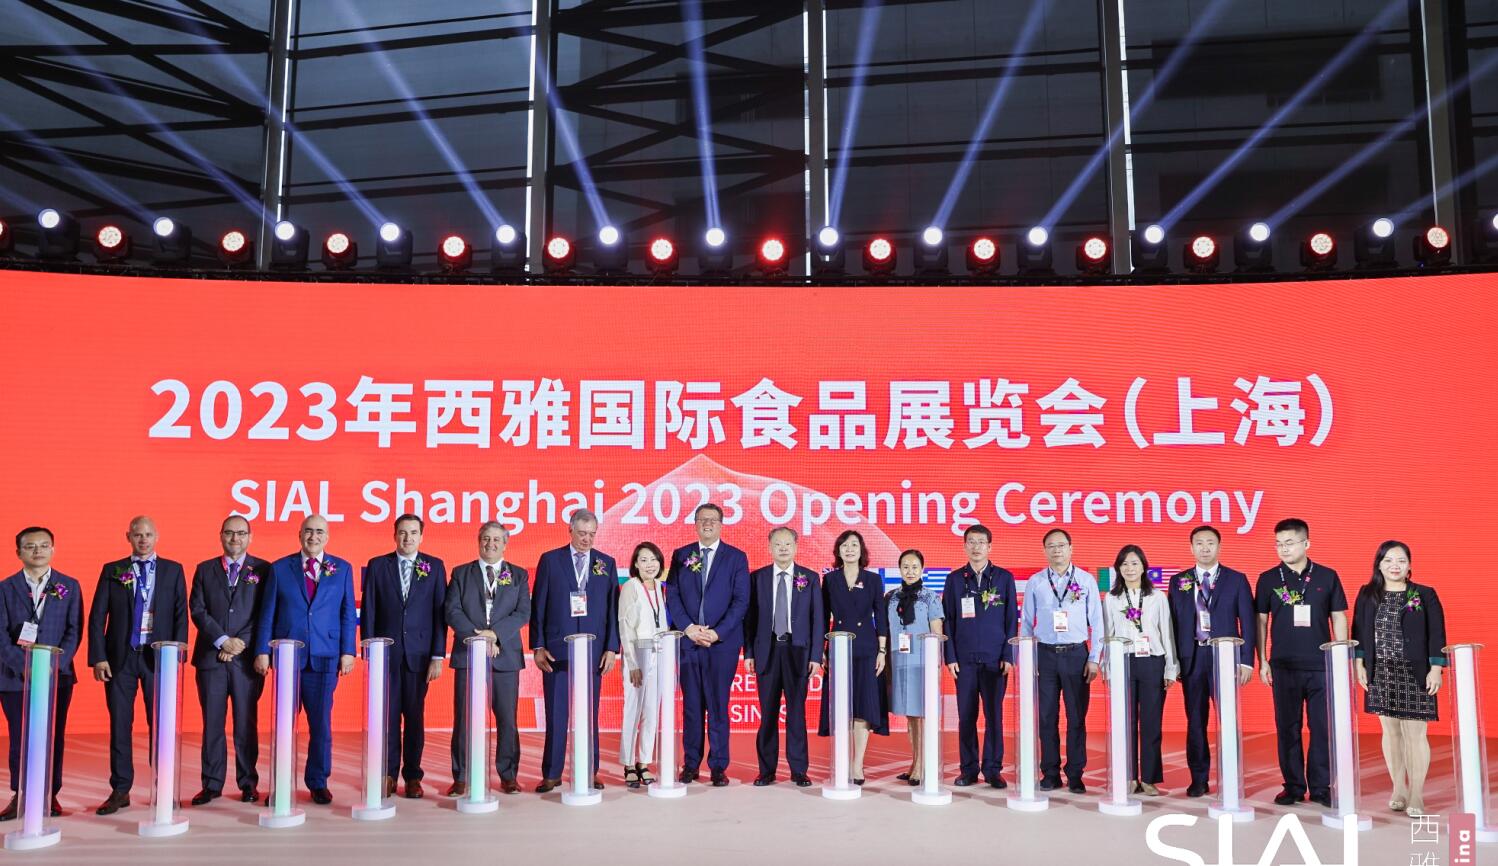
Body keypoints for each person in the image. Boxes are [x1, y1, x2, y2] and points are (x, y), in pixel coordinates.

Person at [253, 515, 357, 805]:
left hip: (325, 656)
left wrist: (348, 651)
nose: (313, 536)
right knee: (284, 726)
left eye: (319, 531)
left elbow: (348, 614)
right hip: (287, 657)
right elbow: (267, 613)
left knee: (321, 725)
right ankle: (280, 784)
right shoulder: (279, 568)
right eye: (308, 531)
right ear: (299, 534)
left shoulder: (342, 569)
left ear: (327, 536)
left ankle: (318, 782)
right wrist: (262, 650)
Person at [88, 515, 188, 815]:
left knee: (161, 725)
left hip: (159, 658)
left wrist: (176, 655)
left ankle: (163, 787)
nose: (143, 540)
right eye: (137, 535)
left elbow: (181, 614)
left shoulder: (173, 569)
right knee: (120, 724)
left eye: (148, 534)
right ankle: (120, 789)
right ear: (128, 537)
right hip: (121, 659)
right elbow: (97, 616)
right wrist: (98, 657)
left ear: (157, 536)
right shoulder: (113, 569)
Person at [1255, 517, 1348, 808]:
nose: (1284, 549)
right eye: (1278, 544)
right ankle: (1293, 786)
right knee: (1287, 728)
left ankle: (1321, 787)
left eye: (1290, 542)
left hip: (1321, 665)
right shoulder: (1268, 578)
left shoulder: (1327, 576)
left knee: (1322, 728)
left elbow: (1338, 617)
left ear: (1306, 543)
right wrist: (1263, 660)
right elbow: (1261, 621)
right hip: (1283, 665)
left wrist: (1340, 657)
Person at [1352, 540, 1446, 816]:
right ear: (1379, 565)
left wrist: (1436, 668)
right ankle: (1398, 788)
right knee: (1391, 732)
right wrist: (1359, 663)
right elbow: (1360, 630)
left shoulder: (1424, 594)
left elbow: (1437, 632)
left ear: (1409, 565)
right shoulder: (1367, 594)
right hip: (1381, 671)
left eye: (1401, 560)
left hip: (1415, 672)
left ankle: (1416, 793)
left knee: (1415, 734)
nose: (1395, 566)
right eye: (1389, 560)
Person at [530, 510, 619, 793]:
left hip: (593, 651)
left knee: (589, 714)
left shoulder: (606, 563)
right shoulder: (550, 560)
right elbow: (538, 605)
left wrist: (611, 648)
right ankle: (552, 773)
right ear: (570, 530)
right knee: (556, 714)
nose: (587, 539)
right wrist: (538, 645)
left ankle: (589, 770)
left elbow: (612, 610)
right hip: (557, 651)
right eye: (582, 533)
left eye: (592, 534)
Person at [361, 514, 447, 799]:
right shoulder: (378, 565)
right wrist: (369, 650)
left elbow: (439, 615)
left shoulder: (435, 566)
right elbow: (370, 609)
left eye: (413, 533)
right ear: (394, 535)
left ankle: (412, 777)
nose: (407, 538)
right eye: (402, 532)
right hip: (385, 656)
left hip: (419, 657)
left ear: (421, 536)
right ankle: (387, 775)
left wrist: (437, 655)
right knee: (386, 718)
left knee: (414, 717)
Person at [1168, 524, 1256, 798]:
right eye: (1199, 543)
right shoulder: (1179, 581)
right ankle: (1199, 778)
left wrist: (1246, 661)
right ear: (1191, 547)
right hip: (1192, 658)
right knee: (1195, 720)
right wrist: (1174, 662)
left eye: (1210, 543)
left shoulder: (1236, 579)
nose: (1205, 548)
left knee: (1228, 720)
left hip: (1226, 658)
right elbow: (1172, 624)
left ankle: (1231, 777)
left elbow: (1248, 622)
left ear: (1219, 546)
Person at [0, 527, 81, 820]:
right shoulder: (5, 588)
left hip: (56, 675)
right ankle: (20, 794)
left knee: (53, 736)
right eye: (30, 546)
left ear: (53, 549)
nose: (38, 551)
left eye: (44, 545)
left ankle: (49, 794)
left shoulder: (69, 585)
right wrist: (26, 666)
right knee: (20, 737)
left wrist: (53, 664)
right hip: (14, 678)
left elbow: (74, 630)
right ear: (18, 552)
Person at [665, 503, 749, 787]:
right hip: (689, 643)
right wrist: (688, 628)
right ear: (695, 524)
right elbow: (673, 595)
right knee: (691, 706)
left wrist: (717, 632)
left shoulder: (736, 557)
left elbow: (741, 601)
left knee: (718, 705)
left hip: (721, 645)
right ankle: (691, 764)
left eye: (713, 520)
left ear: (721, 524)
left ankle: (718, 766)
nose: (708, 524)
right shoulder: (681, 555)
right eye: (702, 519)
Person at [187, 515, 269, 805]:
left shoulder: (263, 569)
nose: (235, 538)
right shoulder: (204, 569)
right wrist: (222, 640)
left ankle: (248, 783)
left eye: (241, 533)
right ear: (221, 535)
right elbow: (197, 610)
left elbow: (264, 612)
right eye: (230, 533)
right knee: (212, 723)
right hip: (211, 659)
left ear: (250, 537)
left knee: (246, 723)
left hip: (246, 662)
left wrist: (238, 644)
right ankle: (211, 784)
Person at [446, 521, 530, 797]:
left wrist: (495, 635)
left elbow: (522, 613)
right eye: (486, 538)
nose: (490, 544)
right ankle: (461, 776)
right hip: (468, 655)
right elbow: (452, 611)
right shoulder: (461, 573)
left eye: (496, 539)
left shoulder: (518, 575)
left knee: (507, 718)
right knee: (464, 719)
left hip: (505, 656)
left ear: (505, 544)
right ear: (478, 541)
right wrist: (479, 639)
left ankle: (508, 775)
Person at [1019, 528, 1103, 794]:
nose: (1057, 550)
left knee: (1076, 717)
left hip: (1077, 654)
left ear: (1071, 548)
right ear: (1045, 550)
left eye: (1061, 545)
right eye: (1051, 546)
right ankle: (1050, 773)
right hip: (1045, 655)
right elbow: (1026, 623)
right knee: (1046, 717)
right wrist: (1027, 658)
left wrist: (1094, 658)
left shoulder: (1086, 580)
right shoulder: (1036, 582)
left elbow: (1097, 622)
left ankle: (1076, 774)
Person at [744, 527, 823, 787]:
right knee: (768, 713)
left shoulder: (809, 578)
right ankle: (766, 770)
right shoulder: (757, 578)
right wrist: (749, 653)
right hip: (766, 651)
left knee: (796, 713)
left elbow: (818, 619)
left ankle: (799, 770)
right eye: (778, 544)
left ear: (796, 547)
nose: (783, 548)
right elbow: (750, 620)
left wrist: (816, 655)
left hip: (797, 651)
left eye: (788, 544)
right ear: (769, 548)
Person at [942, 525, 1017, 789]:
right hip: (963, 661)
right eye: (971, 542)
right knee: (966, 717)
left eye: (981, 542)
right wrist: (950, 656)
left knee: (994, 717)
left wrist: (1009, 654)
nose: (976, 547)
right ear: (965, 546)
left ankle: (993, 770)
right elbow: (948, 620)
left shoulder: (1003, 578)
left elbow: (1011, 619)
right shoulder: (954, 579)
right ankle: (969, 769)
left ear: (989, 546)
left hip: (995, 660)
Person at [1101, 545, 1177, 795]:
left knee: (1151, 722)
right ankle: (1129, 777)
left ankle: (1149, 778)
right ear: (1118, 569)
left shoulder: (1157, 596)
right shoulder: (1111, 598)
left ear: (1144, 566)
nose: (1129, 568)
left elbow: (1166, 632)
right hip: (1123, 661)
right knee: (1126, 722)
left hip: (1152, 661)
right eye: (1124, 564)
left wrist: (1170, 668)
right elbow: (1108, 634)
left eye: (1134, 563)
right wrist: (1107, 668)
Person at [817, 529, 887, 784]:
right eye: (844, 545)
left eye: (854, 545)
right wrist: (821, 649)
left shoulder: (873, 580)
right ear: (838, 551)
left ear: (861, 550)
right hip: (838, 646)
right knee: (841, 706)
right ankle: (842, 760)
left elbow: (881, 616)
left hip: (867, 647)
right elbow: (822, 616)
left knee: (863, 706)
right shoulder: (830, 580)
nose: (849, 549)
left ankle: (857, 765)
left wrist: (882, 651)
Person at [888, 549, 944, 786]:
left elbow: (937, 631)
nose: (910, 571)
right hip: (898, 660)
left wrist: (937, 662)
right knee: (910, 716)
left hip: (922, 661)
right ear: (899, 569)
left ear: (922, 569)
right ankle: (915, 762)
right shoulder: (891, 597)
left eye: (914, 567)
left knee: (922, 715)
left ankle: (922, 765)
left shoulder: (931, 597)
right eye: (905, 567)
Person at [618, 542, 669, 788]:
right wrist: (632, 663)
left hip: (659, 654)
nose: (650, 565)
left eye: (654, 559)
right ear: (636, 565)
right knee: (633, 709)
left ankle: (644, 761)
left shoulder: (660, 587)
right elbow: (625, 626)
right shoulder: (631, 587)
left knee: (651, 710)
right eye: (644, 560)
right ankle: (628, 763)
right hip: (637, 655)